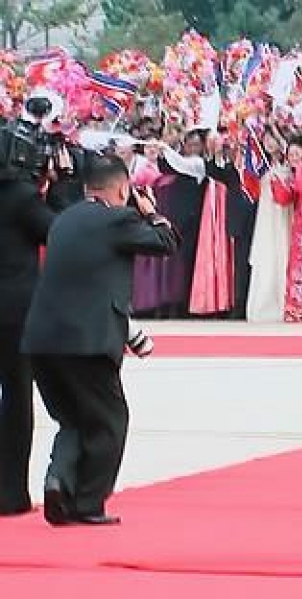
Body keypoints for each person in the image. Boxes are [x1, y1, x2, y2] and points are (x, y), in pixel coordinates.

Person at [21, 153, 180, 526]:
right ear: (123, 188)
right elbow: (166, 243)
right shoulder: (118, 218)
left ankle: (58, 480)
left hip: (43, 337)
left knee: (72, 418)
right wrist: (150, 212)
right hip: (87, 340)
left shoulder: (63, 221)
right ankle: (88, 502)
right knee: (109, 420)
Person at [0, 168, 55, 516]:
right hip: (12, 312)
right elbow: (58, 231)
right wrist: (60, 189)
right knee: (17, 398)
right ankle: (10, 493)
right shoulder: (21, 197)